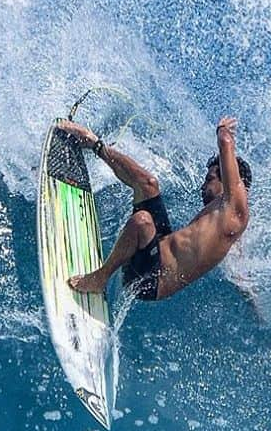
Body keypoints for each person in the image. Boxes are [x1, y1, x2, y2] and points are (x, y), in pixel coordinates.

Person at [56, 116, 251, 302]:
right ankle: (93, 143)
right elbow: (238, 267)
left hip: (151, 280)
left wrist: (222, 129)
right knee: (148, 184)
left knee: (142, 221)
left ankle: (99, 279)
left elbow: (225, 142)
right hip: (156, 247)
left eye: (209, 180)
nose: (203, 187)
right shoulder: (228, 219)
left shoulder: (234, 207)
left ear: (229, 180)